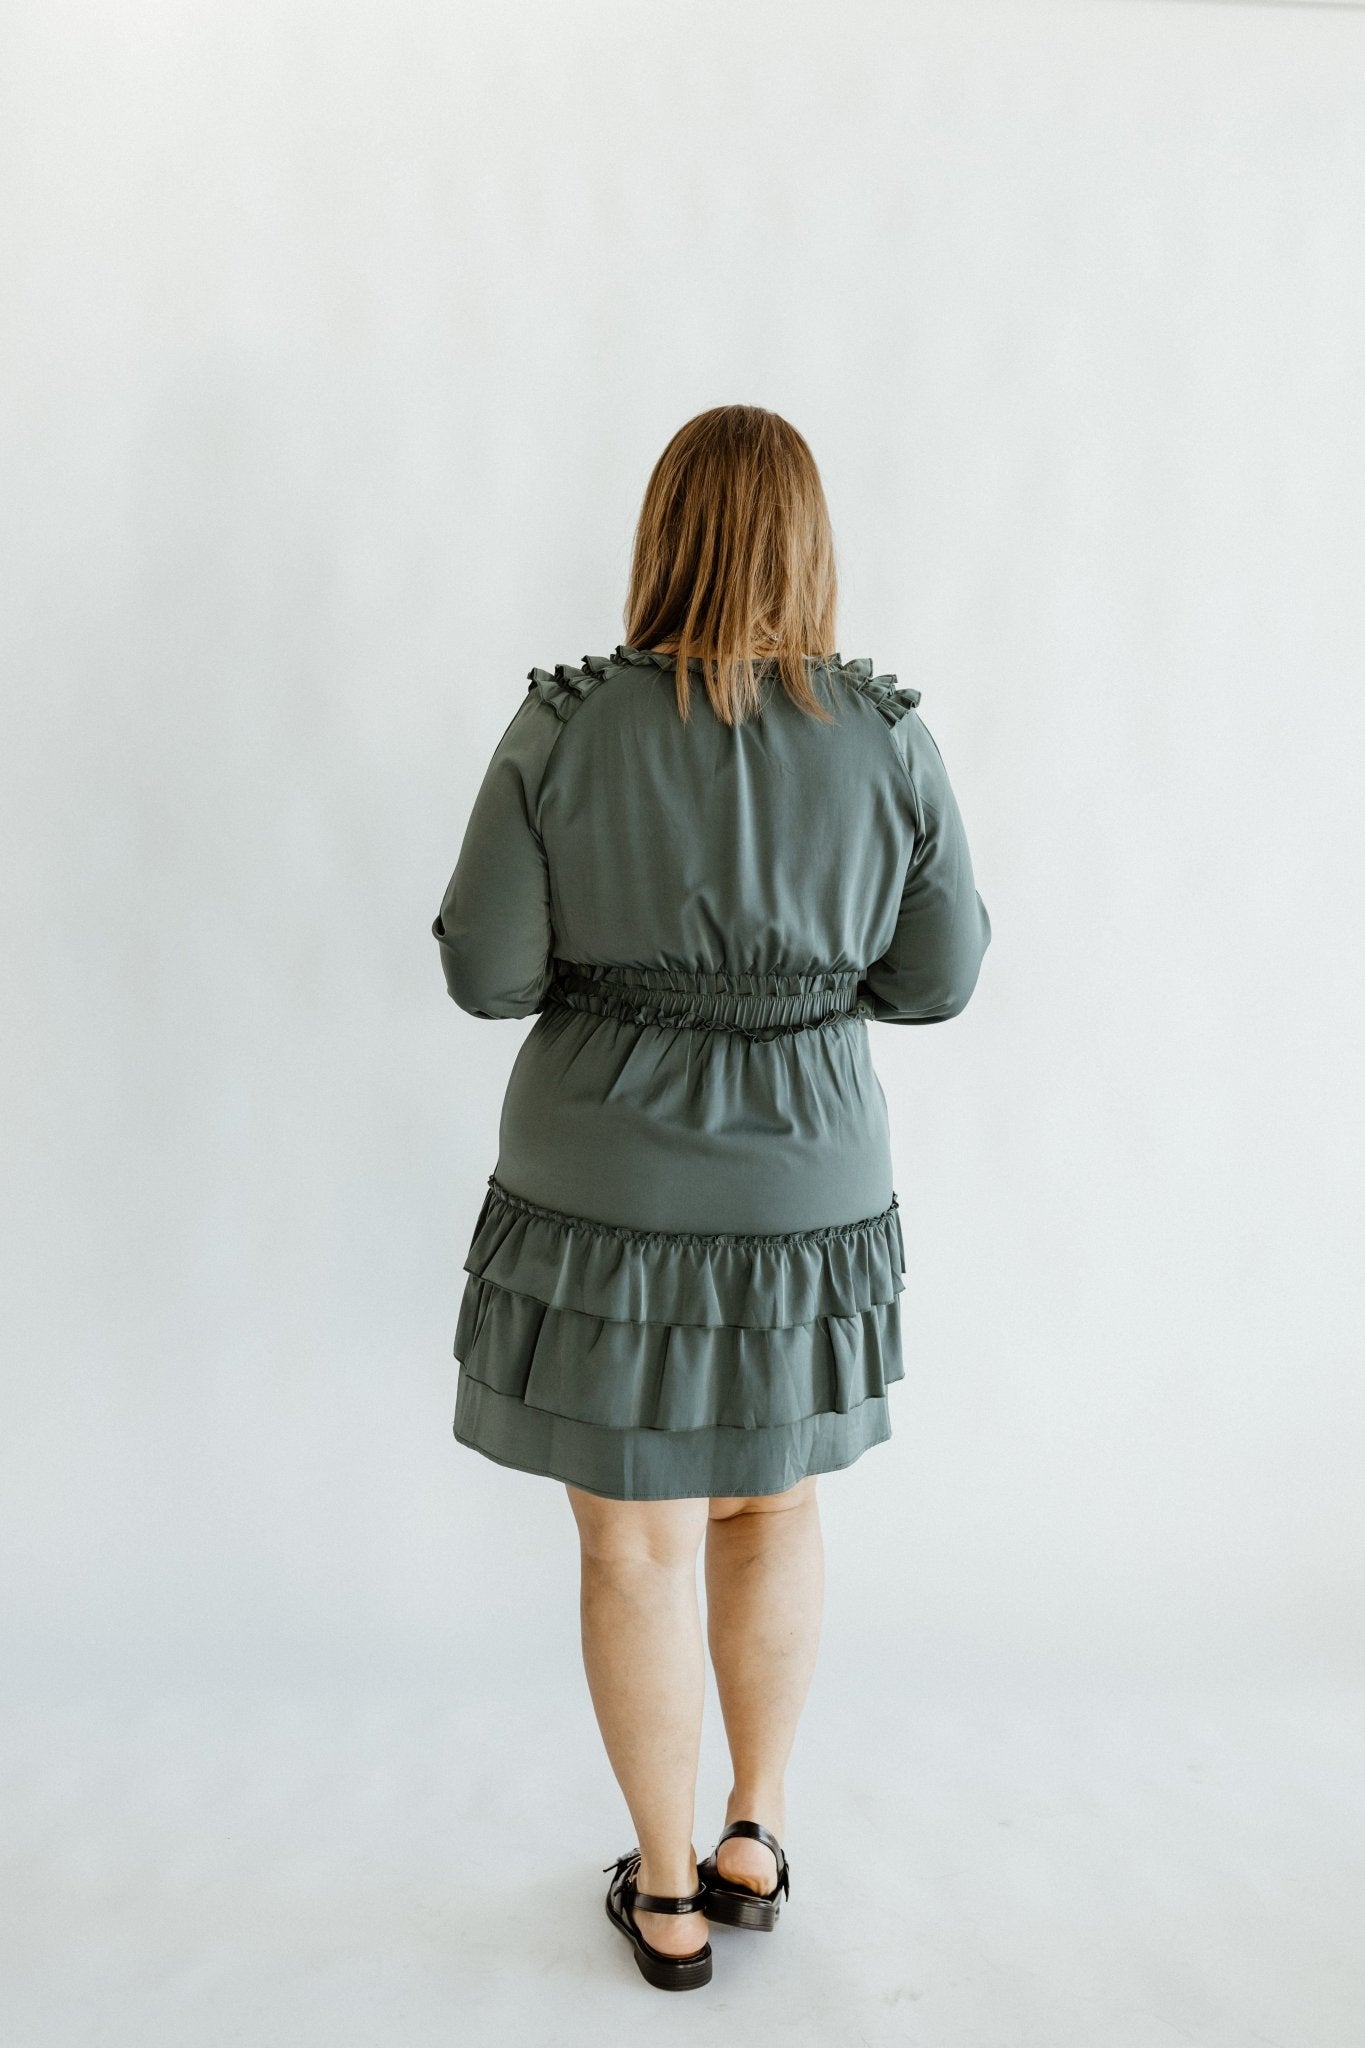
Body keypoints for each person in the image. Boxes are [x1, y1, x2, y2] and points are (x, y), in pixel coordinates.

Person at [431, 404, 992, 1992]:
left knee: (635, 1545)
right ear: (810, 543)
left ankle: (666, 1891)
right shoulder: (885, 737)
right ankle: (756, 1830)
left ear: (660, 533)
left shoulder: (562, 725)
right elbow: (938, 979)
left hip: (602, 1184)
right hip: (809, 1180)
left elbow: (486, 975)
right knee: (771, 1503)